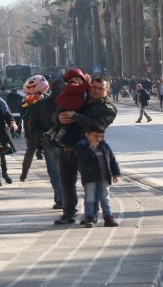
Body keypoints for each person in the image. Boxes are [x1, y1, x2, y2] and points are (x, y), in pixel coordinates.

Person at [52, 78, 117, 225]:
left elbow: (98, 126)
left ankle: (91, 214)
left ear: (107, 91)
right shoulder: (79, 96)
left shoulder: (108, 107)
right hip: (66, 147)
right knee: (66, 184)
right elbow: (57, 112)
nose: (96, 90)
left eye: (101, 88)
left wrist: (76, 116)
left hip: (89, 151)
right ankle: (68, 213)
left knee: (90, 183)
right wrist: (58, 118)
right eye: (94, 87)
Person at [27, 79, 65, 209]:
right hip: (68, 142)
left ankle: (60, 198)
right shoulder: (69, 104)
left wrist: (41, 135)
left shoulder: (39, 105)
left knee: (54, 171)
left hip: (49, 142)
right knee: (68, 172)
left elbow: (31, 124)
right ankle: (68, 197)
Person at [75, 124, 121, 228]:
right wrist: (91, 147)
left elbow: (112, 159)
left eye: (101, 136)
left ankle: (108, 218)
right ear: (87, 135)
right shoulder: (82, 145)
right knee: (90, 198)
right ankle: (89, 218)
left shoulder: (104, 145)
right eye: (96, 136)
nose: (98, 139)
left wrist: (115, 173)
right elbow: (82, 159)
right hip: (90, 177)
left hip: (104, 176)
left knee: (105, 198)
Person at [45, 68, 91, 145]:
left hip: (85, 136)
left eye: (81, 79)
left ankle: (52, 134)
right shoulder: (72, 86)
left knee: (65, 125)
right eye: (77, 79)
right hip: (69, 109)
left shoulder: (86, 92)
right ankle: (55, 136)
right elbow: (56, 114)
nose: (79, 81)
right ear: (69, 80)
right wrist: (58, 117)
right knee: (65, 123)